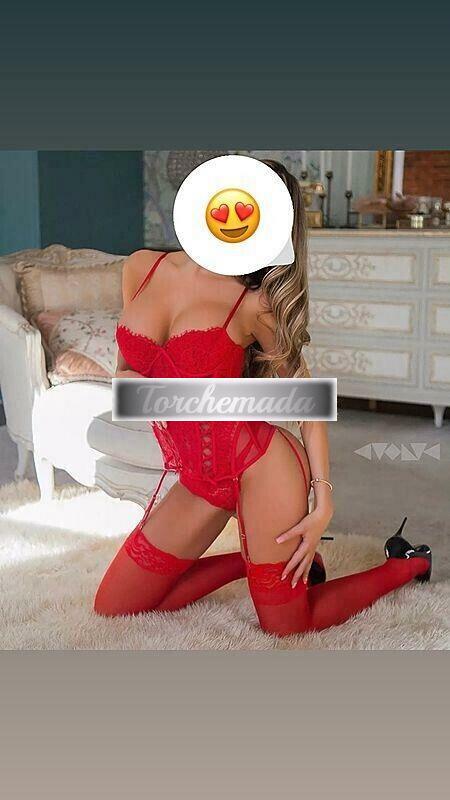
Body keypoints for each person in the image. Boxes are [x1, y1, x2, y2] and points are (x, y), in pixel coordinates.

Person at [94, 160, 432, 636]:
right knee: (114, 606)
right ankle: (252, 563)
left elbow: (307, 400)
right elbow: (126, 371)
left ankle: (408, 564)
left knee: (287, 625)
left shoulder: (254, 303)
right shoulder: (141, 268)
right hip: (200, 476)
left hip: (260, 466)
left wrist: (323, 501)